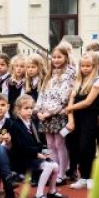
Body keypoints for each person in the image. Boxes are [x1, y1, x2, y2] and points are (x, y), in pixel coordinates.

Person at [5, 94, 63, 198]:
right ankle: (39, 194)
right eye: (26, 108)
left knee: (55, 166)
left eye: (31, 108)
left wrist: (44, 151)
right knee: (48, 166)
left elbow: (37, 143)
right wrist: (37, 154)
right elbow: (20, 147)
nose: (29, 111)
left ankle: (52, 190)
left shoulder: (31, 123)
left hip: (31, 156)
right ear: (18, 110)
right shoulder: (15, 125)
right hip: (21, 159)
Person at [64, 51, 99, 187]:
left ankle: (91, 177)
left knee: (86, 146)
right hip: (77, 117)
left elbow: (88, 102)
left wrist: (70, 108)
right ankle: (82, 177)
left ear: (95, 67)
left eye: (89, 66)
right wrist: (70, 118)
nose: (85, 69)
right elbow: (70, 101)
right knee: (75, 147)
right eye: (83, 66)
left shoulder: (98, 82)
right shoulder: (77, 81)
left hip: (90, 117)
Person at [35, 46, 75, 186]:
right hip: (45, 114)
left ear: (65, 58)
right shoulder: (49, 74)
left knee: (59, 143)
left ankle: (62, 173)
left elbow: (65, 95)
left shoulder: (69, 73)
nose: (56, 60)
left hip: (58, 113)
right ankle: (54, 170)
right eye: (54, 57)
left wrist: (49, 112)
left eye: (60, 57)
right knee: (50, 144)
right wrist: (38, 110)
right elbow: (42, 93)